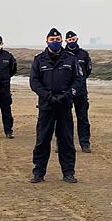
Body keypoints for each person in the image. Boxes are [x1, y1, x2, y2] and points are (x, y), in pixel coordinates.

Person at [30, 28, 82, 183]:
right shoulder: (39, 60)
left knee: (66, 140)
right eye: (52, 40)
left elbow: (78, 80)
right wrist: (48, 96)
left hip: (65, 105)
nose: (55, 42)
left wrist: (67, 95)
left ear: (62, 40)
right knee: (42, 139)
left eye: (58, 39)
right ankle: (38, 172)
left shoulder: (70, 59)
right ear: (46, 41)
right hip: (46, 106)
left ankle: (68, 173)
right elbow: (34, 82)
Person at [65, 31, 93, 152]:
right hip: (66, 91)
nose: (72, 41)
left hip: (81, 91)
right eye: (69, 40)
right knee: (64, 118)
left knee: (83, 118)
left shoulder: (83, 54)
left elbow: (88, 70)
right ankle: (63, 142)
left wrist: (79, 82)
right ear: (66, 41)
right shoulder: (63, 54)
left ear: (77, 39)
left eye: (74, 39)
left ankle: (85, 143)